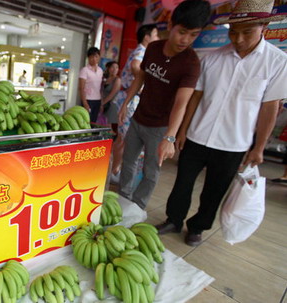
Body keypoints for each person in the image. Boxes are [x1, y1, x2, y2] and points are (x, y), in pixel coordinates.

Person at [156, 0, 287, 247]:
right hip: (197, 136)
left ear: (265, 26)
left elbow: (270, 107)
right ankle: (173, 219)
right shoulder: (213, 58)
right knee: (182, 183)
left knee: (214, 191)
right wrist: (182, 130)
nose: (237, 39)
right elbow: (196, 96)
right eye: (233, 32)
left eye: (246, 32)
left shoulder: (277, 62)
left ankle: (197, 227)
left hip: (233, 143)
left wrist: (259, 148)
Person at [117, 0, 211, 210]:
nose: (185, 40)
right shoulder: (154, 47)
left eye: (194, 34)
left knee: (151, 171)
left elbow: (181, 103)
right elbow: (141, 76)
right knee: (128, 162)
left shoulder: (191, 64)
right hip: (139, 118)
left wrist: (170, 136)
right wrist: (126, 102)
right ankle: (123, 199)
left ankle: (137, 207)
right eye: (182, 32)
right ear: (170, 25)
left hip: (160, 128)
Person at [111, 24, 159, 180]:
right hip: (130, 100)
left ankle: (114, 170)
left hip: (128, 98)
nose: (157, 38)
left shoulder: (141, 51)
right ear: (147, 37)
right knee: (127, 139)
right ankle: (116, 171)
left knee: (122, 138)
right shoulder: (141, 51)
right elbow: (135, 66)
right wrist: (149, 80)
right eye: (155, 34)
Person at [79, 47, 103, 123]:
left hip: (97, 100)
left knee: (94, 122)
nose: (94, 59)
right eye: (91, 56)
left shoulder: (100, 70)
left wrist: (101, 102)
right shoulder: (84, 70)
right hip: (88, 100)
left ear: (99, 57)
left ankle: (93, 134)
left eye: (96, 56)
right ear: (88, 58)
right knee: (86, 121)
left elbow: (99, 87)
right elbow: (81, 88)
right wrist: (85, 102)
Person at [101, 61, 121, 134]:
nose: (115, 69)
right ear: (108, 68)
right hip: (104, 104)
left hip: (111, 105)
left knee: (109, 125)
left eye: (116, 67)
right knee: (104, 124)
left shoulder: (117, 80)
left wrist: (102, 103)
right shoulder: (105, 79)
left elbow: (112, 94)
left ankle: (110, 142)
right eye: (113, 67)